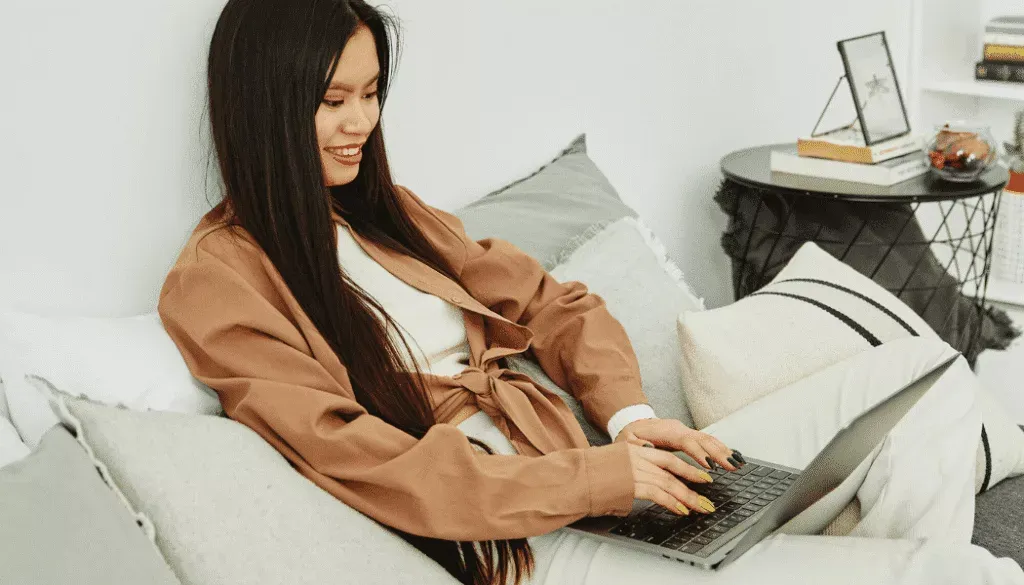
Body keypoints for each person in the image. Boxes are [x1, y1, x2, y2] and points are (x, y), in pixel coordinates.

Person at [157, 1, 1024, 584]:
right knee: (969, 572)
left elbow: (554, 304)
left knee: (929, 375)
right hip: (532, 536)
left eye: (372, 93)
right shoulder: (220, 280)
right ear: (264, 106)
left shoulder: (391, 216)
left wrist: (631, 421)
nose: (362, 123)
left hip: (600, 481)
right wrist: (592, 480)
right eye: (332, 100)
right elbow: (365, 458)